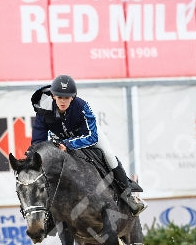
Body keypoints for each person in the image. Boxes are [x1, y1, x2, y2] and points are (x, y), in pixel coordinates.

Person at [30, 74, 147, 215]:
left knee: (109, 155)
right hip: (59, 140)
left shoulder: (82, 106)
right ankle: (44, 207)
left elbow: (92, 137)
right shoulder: (43, 111)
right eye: (60, 97)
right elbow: (38, 142)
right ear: (53, 95)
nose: (63, 101)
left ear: (72, 97)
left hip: (87, 135)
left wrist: (68, 144)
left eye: (66, 98)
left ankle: (129, 196)